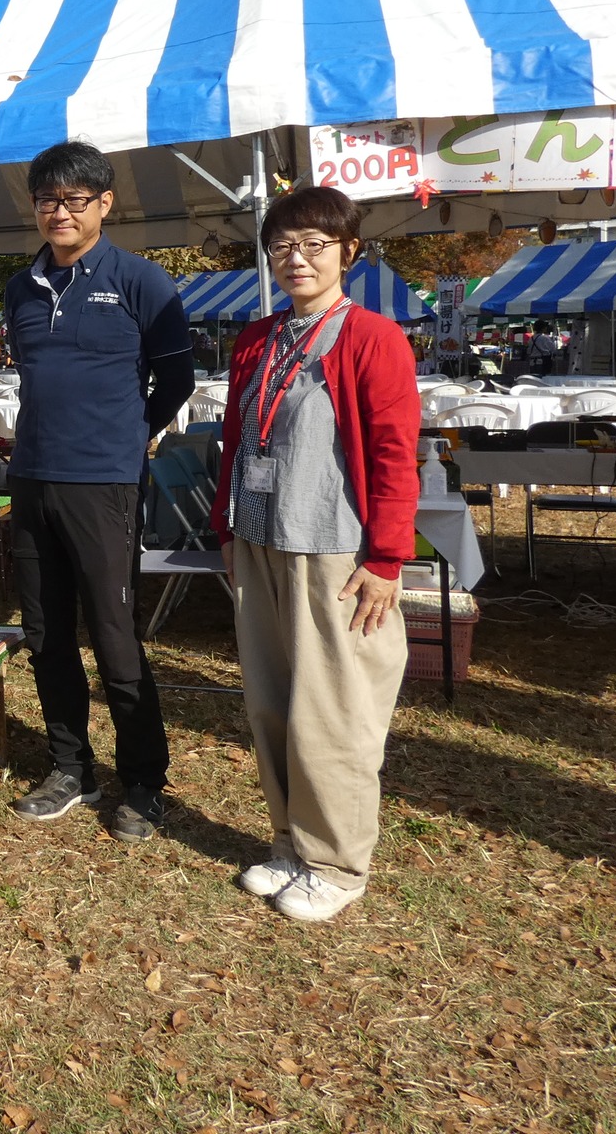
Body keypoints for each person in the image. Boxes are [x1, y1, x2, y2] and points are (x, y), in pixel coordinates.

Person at [213, 184, 420, 923]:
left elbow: (397, 453)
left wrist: (388, 557)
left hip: (334, 548)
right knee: (271, 703)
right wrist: (225, 530)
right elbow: (237, 443)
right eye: (282, 246)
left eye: (314, 245)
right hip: (261, 539)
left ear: (348, 253)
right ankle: (289, 841)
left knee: (333, 712)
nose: (295, 259)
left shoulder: (372, 337)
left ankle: (336, 862)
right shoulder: (258, 339)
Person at [1, 141, 196, 840]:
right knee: (46, 632)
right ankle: (70, 766)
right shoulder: (19, 288)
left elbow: (177, 380)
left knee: (114, 636)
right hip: (31, 477)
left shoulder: (142, 281)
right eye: (48, 200)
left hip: (105, 483)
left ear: (104, 204)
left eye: (75, 199)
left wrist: (131, 435)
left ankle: (143, 780)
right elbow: (31, 371)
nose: (60, 212)